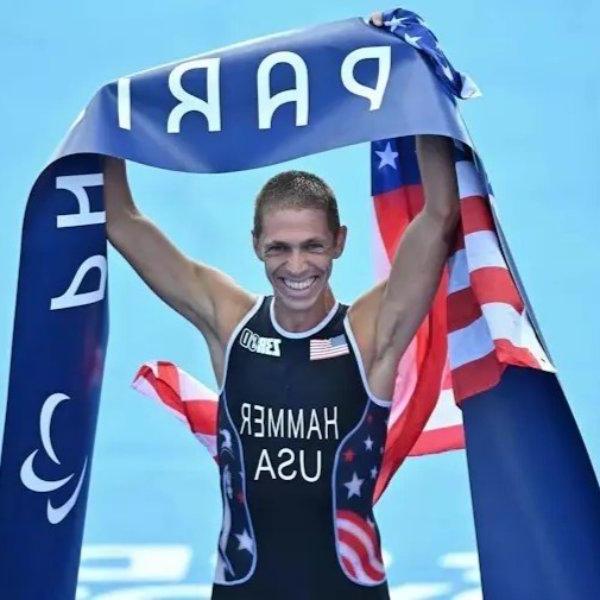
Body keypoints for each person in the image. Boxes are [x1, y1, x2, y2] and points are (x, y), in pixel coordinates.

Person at [103, 17, 460, 599]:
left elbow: (440, 217)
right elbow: (122, 220)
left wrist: (418, 88)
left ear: (339, 242)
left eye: (312, 246)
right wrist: (108, 121)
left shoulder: (371, 331)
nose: (297, 267)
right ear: (256, 247)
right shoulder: (229, 321)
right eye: (280, 248)